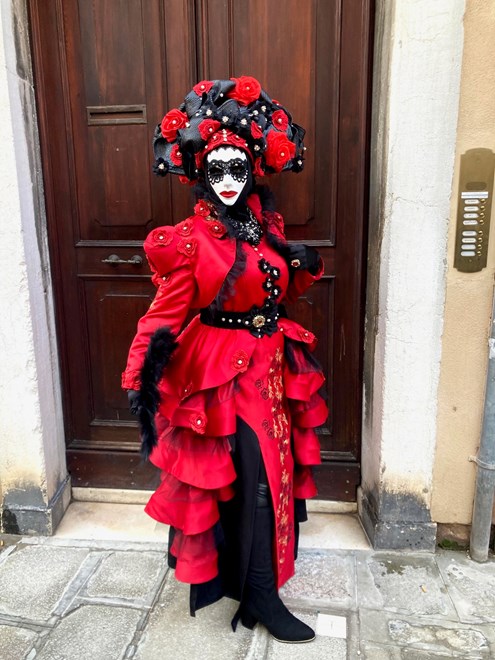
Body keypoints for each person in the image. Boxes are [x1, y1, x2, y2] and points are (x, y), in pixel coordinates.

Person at [122, 76, 328, 644]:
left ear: (253, 169)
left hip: (274, 365)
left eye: (238, 169)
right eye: (218, 172)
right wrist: (139, 375)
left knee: (274, 475)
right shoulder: (191, 240)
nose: (230, 181)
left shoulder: (264, 227)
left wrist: (301, 263)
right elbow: (163, 315)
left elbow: (274, 291)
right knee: (257, 480)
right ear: (202, 176)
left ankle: (261, 582)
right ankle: (259, 594)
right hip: (222, 375)